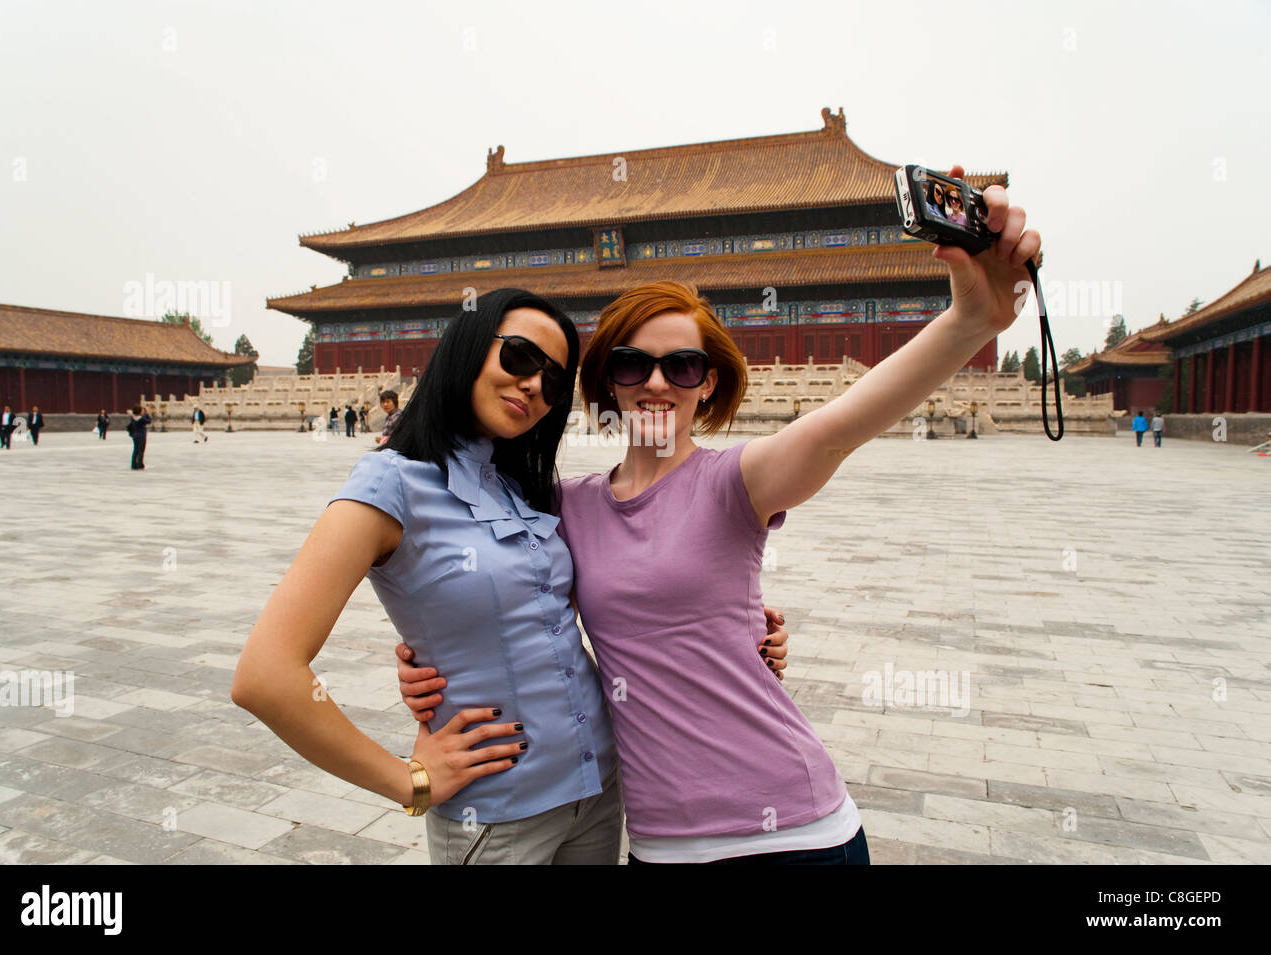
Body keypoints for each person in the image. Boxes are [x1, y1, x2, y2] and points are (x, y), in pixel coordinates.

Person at [401, 164, 1041, 865]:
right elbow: (499, 594)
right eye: (629, 364)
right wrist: (435, 661)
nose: (653, 383)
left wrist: (966, 324)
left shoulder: (737, 481)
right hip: (660, 844)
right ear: (603, 382)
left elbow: (838, 426)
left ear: (706, 385)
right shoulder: (566, 506)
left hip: (795, 834)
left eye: (680, 367)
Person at [232, 288, 789, 866]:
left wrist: (745, 626)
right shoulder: (389, 485)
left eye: (552, 380)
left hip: (599, 793)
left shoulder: (525, 488)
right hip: (498, 813)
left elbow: (622, 592)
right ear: (469, 348)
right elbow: (265, 676)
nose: (533, 386)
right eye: (520, 358)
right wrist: (407, 782)